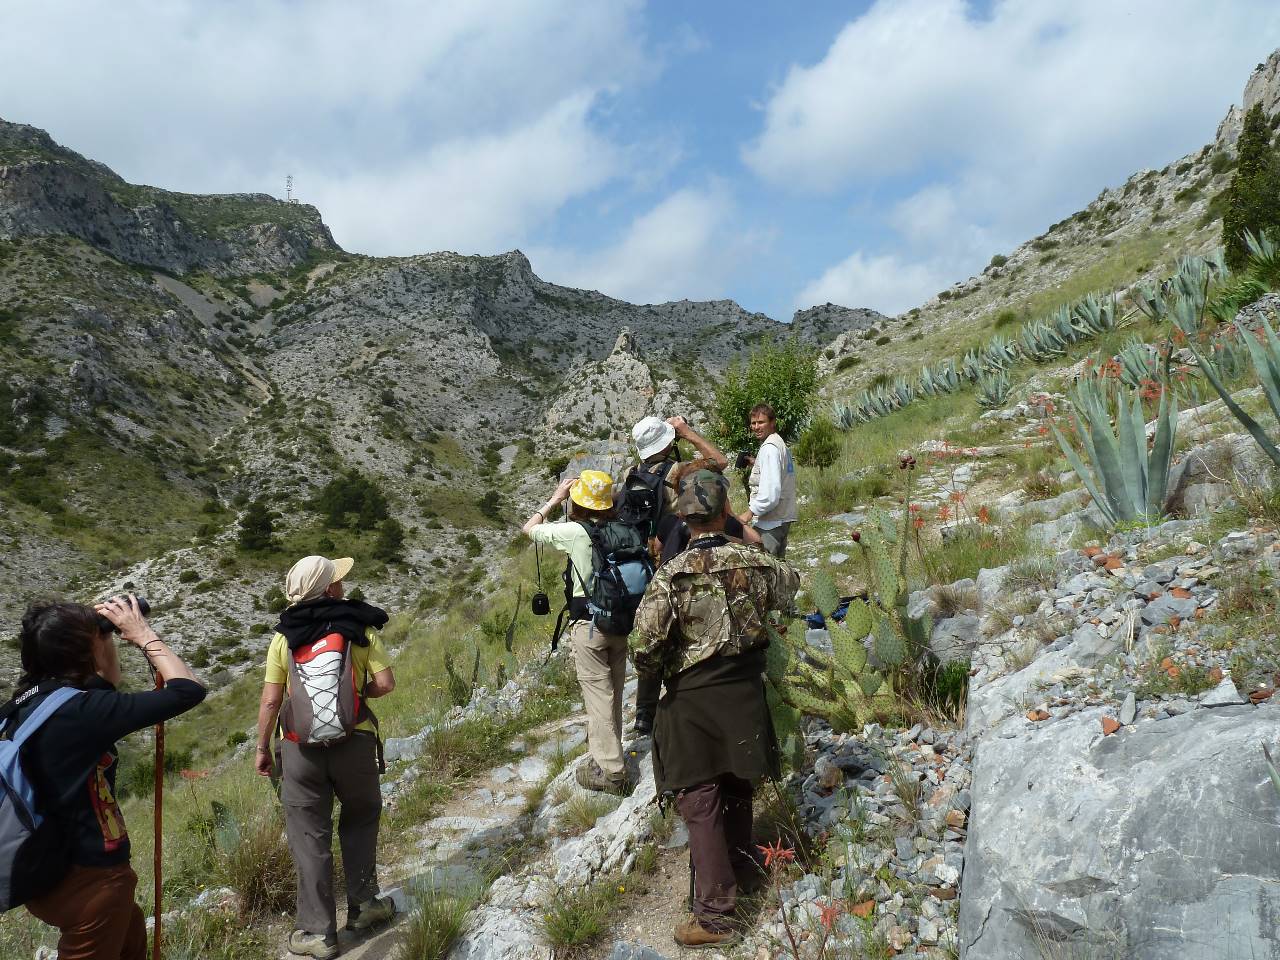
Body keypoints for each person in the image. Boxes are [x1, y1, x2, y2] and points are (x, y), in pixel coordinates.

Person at [631, 470, 799, 948]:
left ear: (684, 518)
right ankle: (743, 869)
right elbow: (791, 589)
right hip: (745, 688)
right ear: (724, 512)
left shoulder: (671, 576)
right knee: (737, 781)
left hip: (694, 698)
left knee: (699, 798)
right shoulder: (754, 561)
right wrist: (746, 538)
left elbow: (644, 650)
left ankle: (715, 916)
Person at [7, 596, 206, 960]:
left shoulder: (23, 707)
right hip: (92, 884)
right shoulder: (81, 711)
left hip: (47, 878)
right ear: (91, 652)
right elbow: (188, 689)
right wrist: (143, 633)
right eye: (107, 640)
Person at [255, 556, 396, 960]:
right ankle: (365, 907)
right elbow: (385, 684)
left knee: (309, 836)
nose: (341, 584)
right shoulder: (359, 627)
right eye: (336, 580)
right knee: (361, 818)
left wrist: (263, 748)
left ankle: (317, 933)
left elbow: (270, 699)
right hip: (355, 743)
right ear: (330, 589)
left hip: (300, 751)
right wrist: (353, 699)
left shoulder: (284, 637)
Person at [522, 470, 633, 794]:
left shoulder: (574, 531)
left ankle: (612, 772)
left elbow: (529, 530)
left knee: (599, 697)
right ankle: (609, 755)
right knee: (612, 693)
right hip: (621, 621)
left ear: (579, 502)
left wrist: (555, 499)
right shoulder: (621, 528)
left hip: (589, 625)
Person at [628, 414, 734, 737]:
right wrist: (686, 433)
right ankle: (691, 700)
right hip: (681, 558)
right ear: (667, 442)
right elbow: (721, 461)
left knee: (654, 630)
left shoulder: (632, 474)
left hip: (647, 562)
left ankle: (645, 713)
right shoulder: (677, 471)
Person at [738, 404, 797, 558]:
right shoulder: (778, 443)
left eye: (761, 422)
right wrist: (756, 462)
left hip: (770, 524)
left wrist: (748, 514)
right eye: (753, 423)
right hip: (782, 519)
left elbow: (770, 494)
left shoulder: (769, 449)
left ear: (773, 422)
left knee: (765, 572)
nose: (756, 427)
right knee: (779, 570)